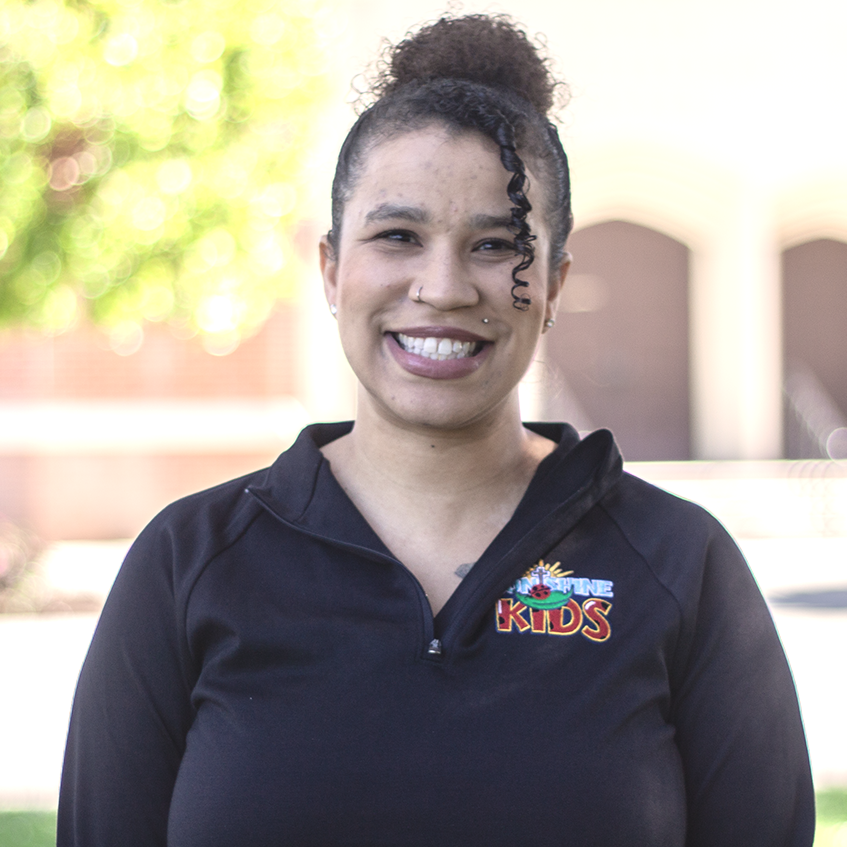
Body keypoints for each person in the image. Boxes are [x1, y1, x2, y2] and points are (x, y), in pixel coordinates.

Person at [58, 14, 814, 847]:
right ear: (332, 269)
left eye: (496, 244)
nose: (444, 287)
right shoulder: (188, 562)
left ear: (554, 284)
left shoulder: (678, 564)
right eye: (398, 236)